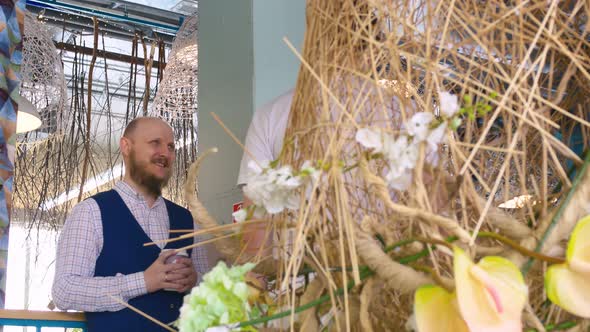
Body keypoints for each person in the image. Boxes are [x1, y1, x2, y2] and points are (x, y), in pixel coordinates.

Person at [52, 117, 209, 331]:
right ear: (126, 146)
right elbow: (65, 290)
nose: (166, 152)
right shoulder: (90, 212)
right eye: (155, 143)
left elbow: (208, 291)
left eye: (171, 146)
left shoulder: (188, 220)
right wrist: (144, 281)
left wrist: (195, 281)